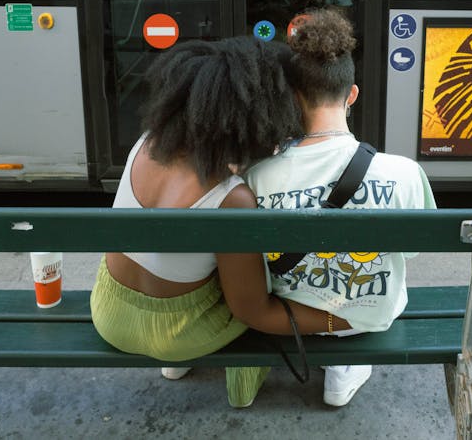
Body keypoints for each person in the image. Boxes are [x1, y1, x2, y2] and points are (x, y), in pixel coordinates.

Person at [89, 36, 353, 408]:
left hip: (109, 311)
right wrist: (339, 321)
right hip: (176, 335)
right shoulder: (232, 199)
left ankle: (177, 367)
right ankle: (240, 387)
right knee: (267, 274)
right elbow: (253, 312)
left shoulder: (148, 142)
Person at [244, 9, 437, 407]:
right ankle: (345, 366)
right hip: (369, 316)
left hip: (291, 315)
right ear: (352, 95)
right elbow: (412, 249)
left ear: (294, 98)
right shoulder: (404, 172)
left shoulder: (258, 177)